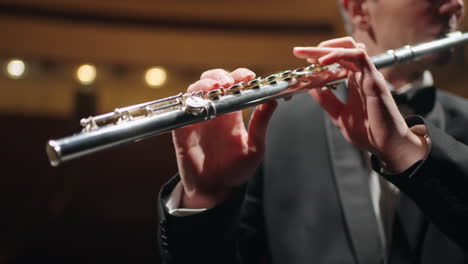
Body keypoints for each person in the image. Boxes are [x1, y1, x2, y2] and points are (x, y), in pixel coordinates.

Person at [157, 0, 468, 263]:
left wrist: (404, 148)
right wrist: (207, 202)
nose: (457, 3)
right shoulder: (279, 124)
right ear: (359, 8)